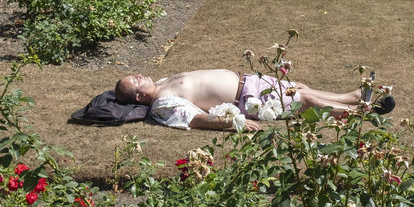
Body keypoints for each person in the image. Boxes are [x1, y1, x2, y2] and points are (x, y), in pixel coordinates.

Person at [113, 69, 394, 131]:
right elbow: (193, 119)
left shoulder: (160, 83)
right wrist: (235, 121)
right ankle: (362, 112)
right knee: (304, 99)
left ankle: (354, 97)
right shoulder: (162, 104)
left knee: (300, 87)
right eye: (134, 80)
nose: (138, 74)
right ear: (140, 96)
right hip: (248, 98)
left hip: (249, 82)